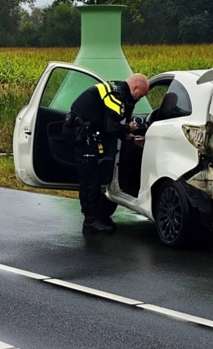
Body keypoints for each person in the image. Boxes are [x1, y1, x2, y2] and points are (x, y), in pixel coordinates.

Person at [63, 73, 149, 234]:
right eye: (141, 94)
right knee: (90, 179)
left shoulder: (117, 89)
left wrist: (130, 138)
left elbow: (108, 124)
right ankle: (90, 221)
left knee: (93, 177)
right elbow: (111, 127)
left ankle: (96, 216)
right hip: (81, 134)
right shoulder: (117, 95)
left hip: (85, 132)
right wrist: (129, 128)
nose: (140, 98)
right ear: (135, 87)